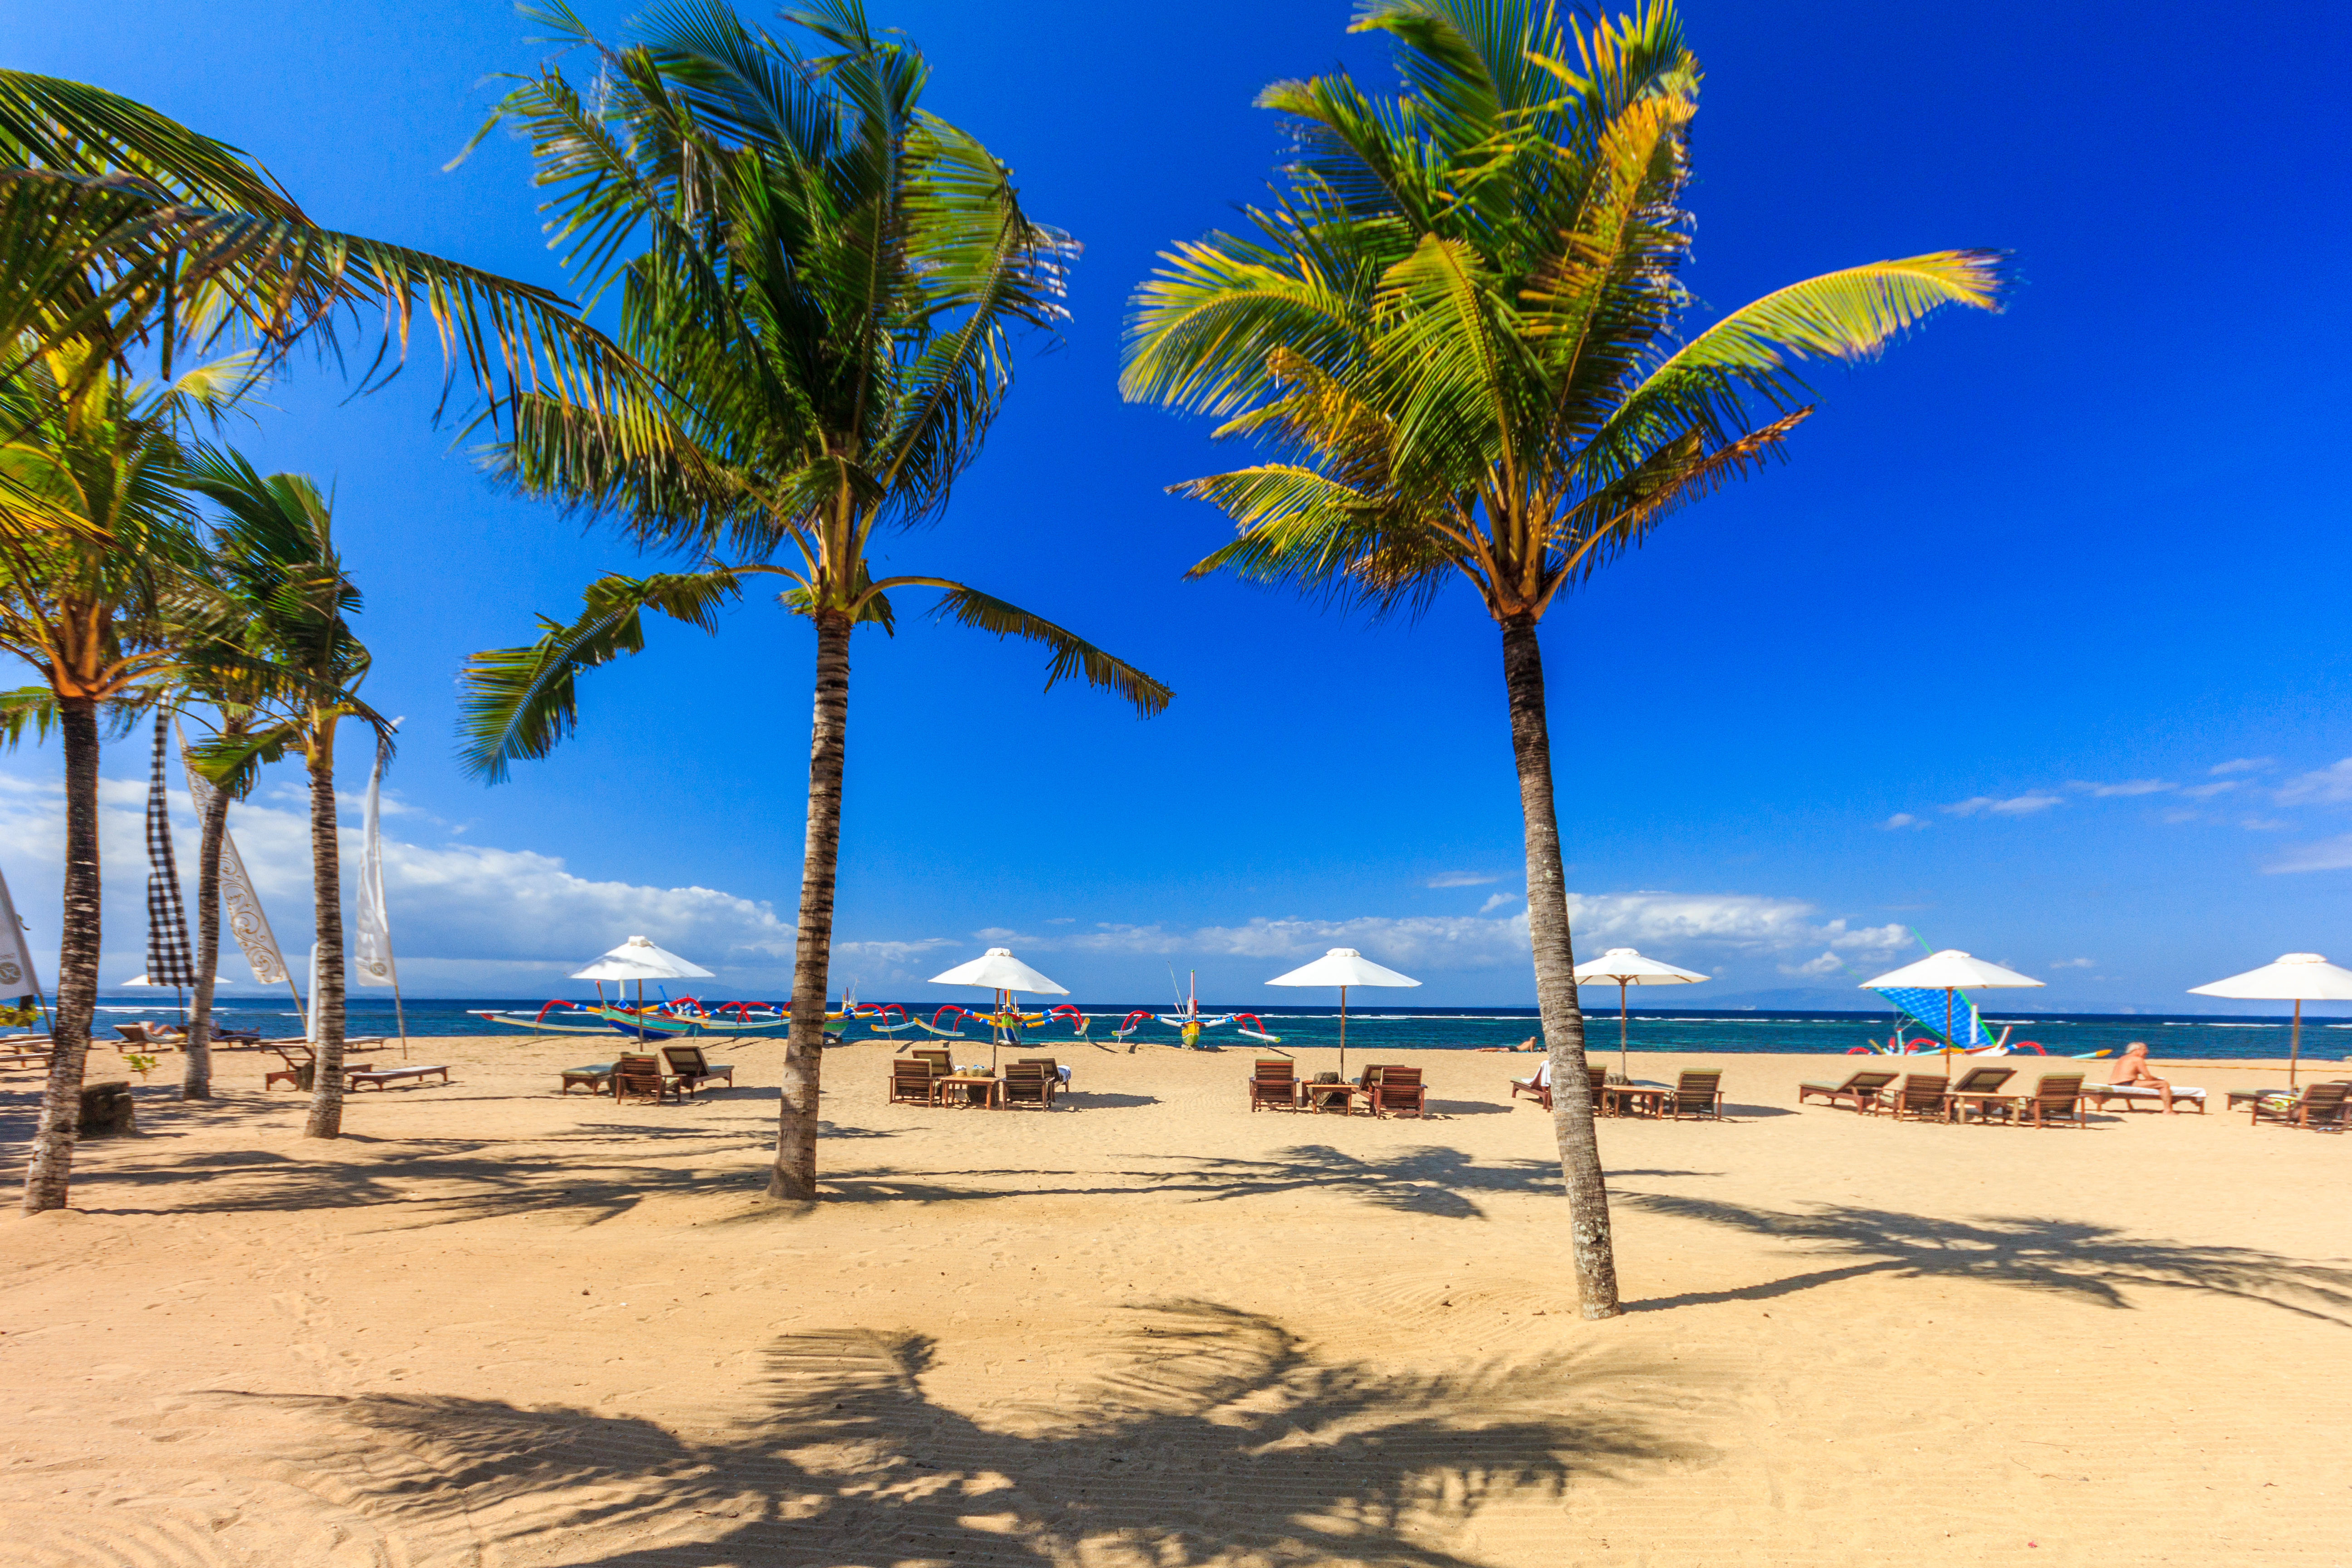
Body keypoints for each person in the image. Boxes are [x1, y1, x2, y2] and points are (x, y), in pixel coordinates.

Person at [2108, 1041, 2175, 1112]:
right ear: (2136, 1050)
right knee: (2164, 1084)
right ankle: (2168, 1110)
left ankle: (2130, 1106)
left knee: (2138, 1080)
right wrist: (2158, 1080)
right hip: (2127, 1083)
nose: (2146, 1052)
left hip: (2113, 1083)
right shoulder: (2138, 1059)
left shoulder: (2122, 1058)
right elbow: (2148, 1078)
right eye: (2144, 1050)